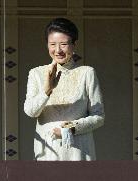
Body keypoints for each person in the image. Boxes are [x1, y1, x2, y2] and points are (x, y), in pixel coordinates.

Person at [24, 18, 105, 161]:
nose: (58, 50)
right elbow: (30, 111)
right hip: (48, 153)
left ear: (74, 45)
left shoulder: (87, 73)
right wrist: (46, 91)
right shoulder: (36, 73)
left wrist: (71, 128)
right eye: (53, 44)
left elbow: (98, 116)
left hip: (79, 152)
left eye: (63, 44)